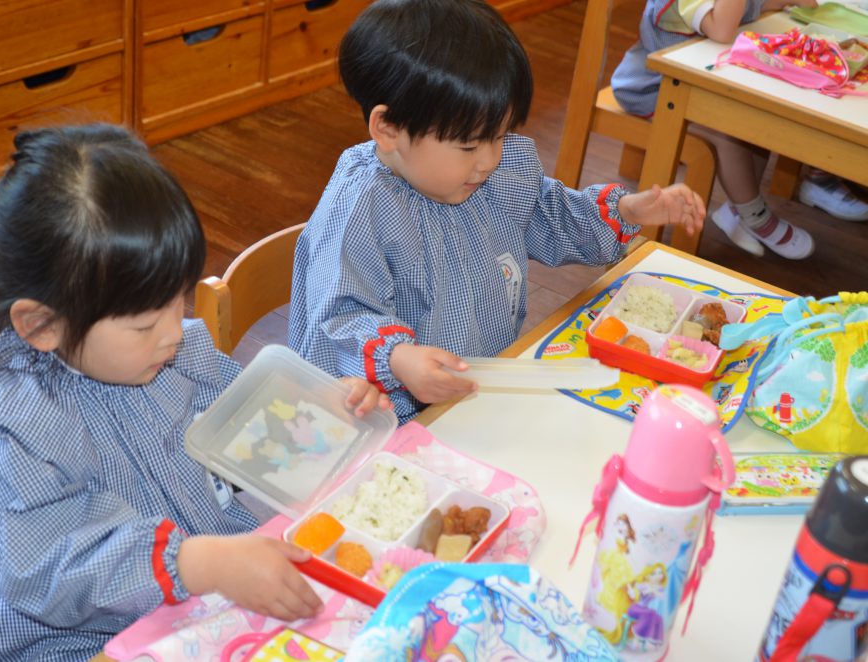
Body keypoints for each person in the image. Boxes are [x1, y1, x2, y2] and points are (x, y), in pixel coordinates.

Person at [0, 124, 387, 660]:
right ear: (41, 325)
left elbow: (252, 428)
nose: (175, 332)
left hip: (208, 598)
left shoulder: (173, 352)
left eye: (178, 302)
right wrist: (196, 562)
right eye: (145, 324)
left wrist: (321, 412)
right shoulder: (4, 426)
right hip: (83, 646)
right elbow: (52, 569)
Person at [287, 0, 706, 422]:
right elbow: (339, 315)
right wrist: (398, 359)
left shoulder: (489, 176)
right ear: (389, 129)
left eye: (501, 135)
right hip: (393, 420)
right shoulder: (361, 209)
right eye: (469, 145)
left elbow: (551, 216)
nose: (489, 160)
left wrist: (629, 211)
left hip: (479, 391)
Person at [610, 0, 821, 259]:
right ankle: (755, 215)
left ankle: (738, 207)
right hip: (653, 89)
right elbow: (721, 29)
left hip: (701, 83)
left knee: (756, 119)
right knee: (727, 132)